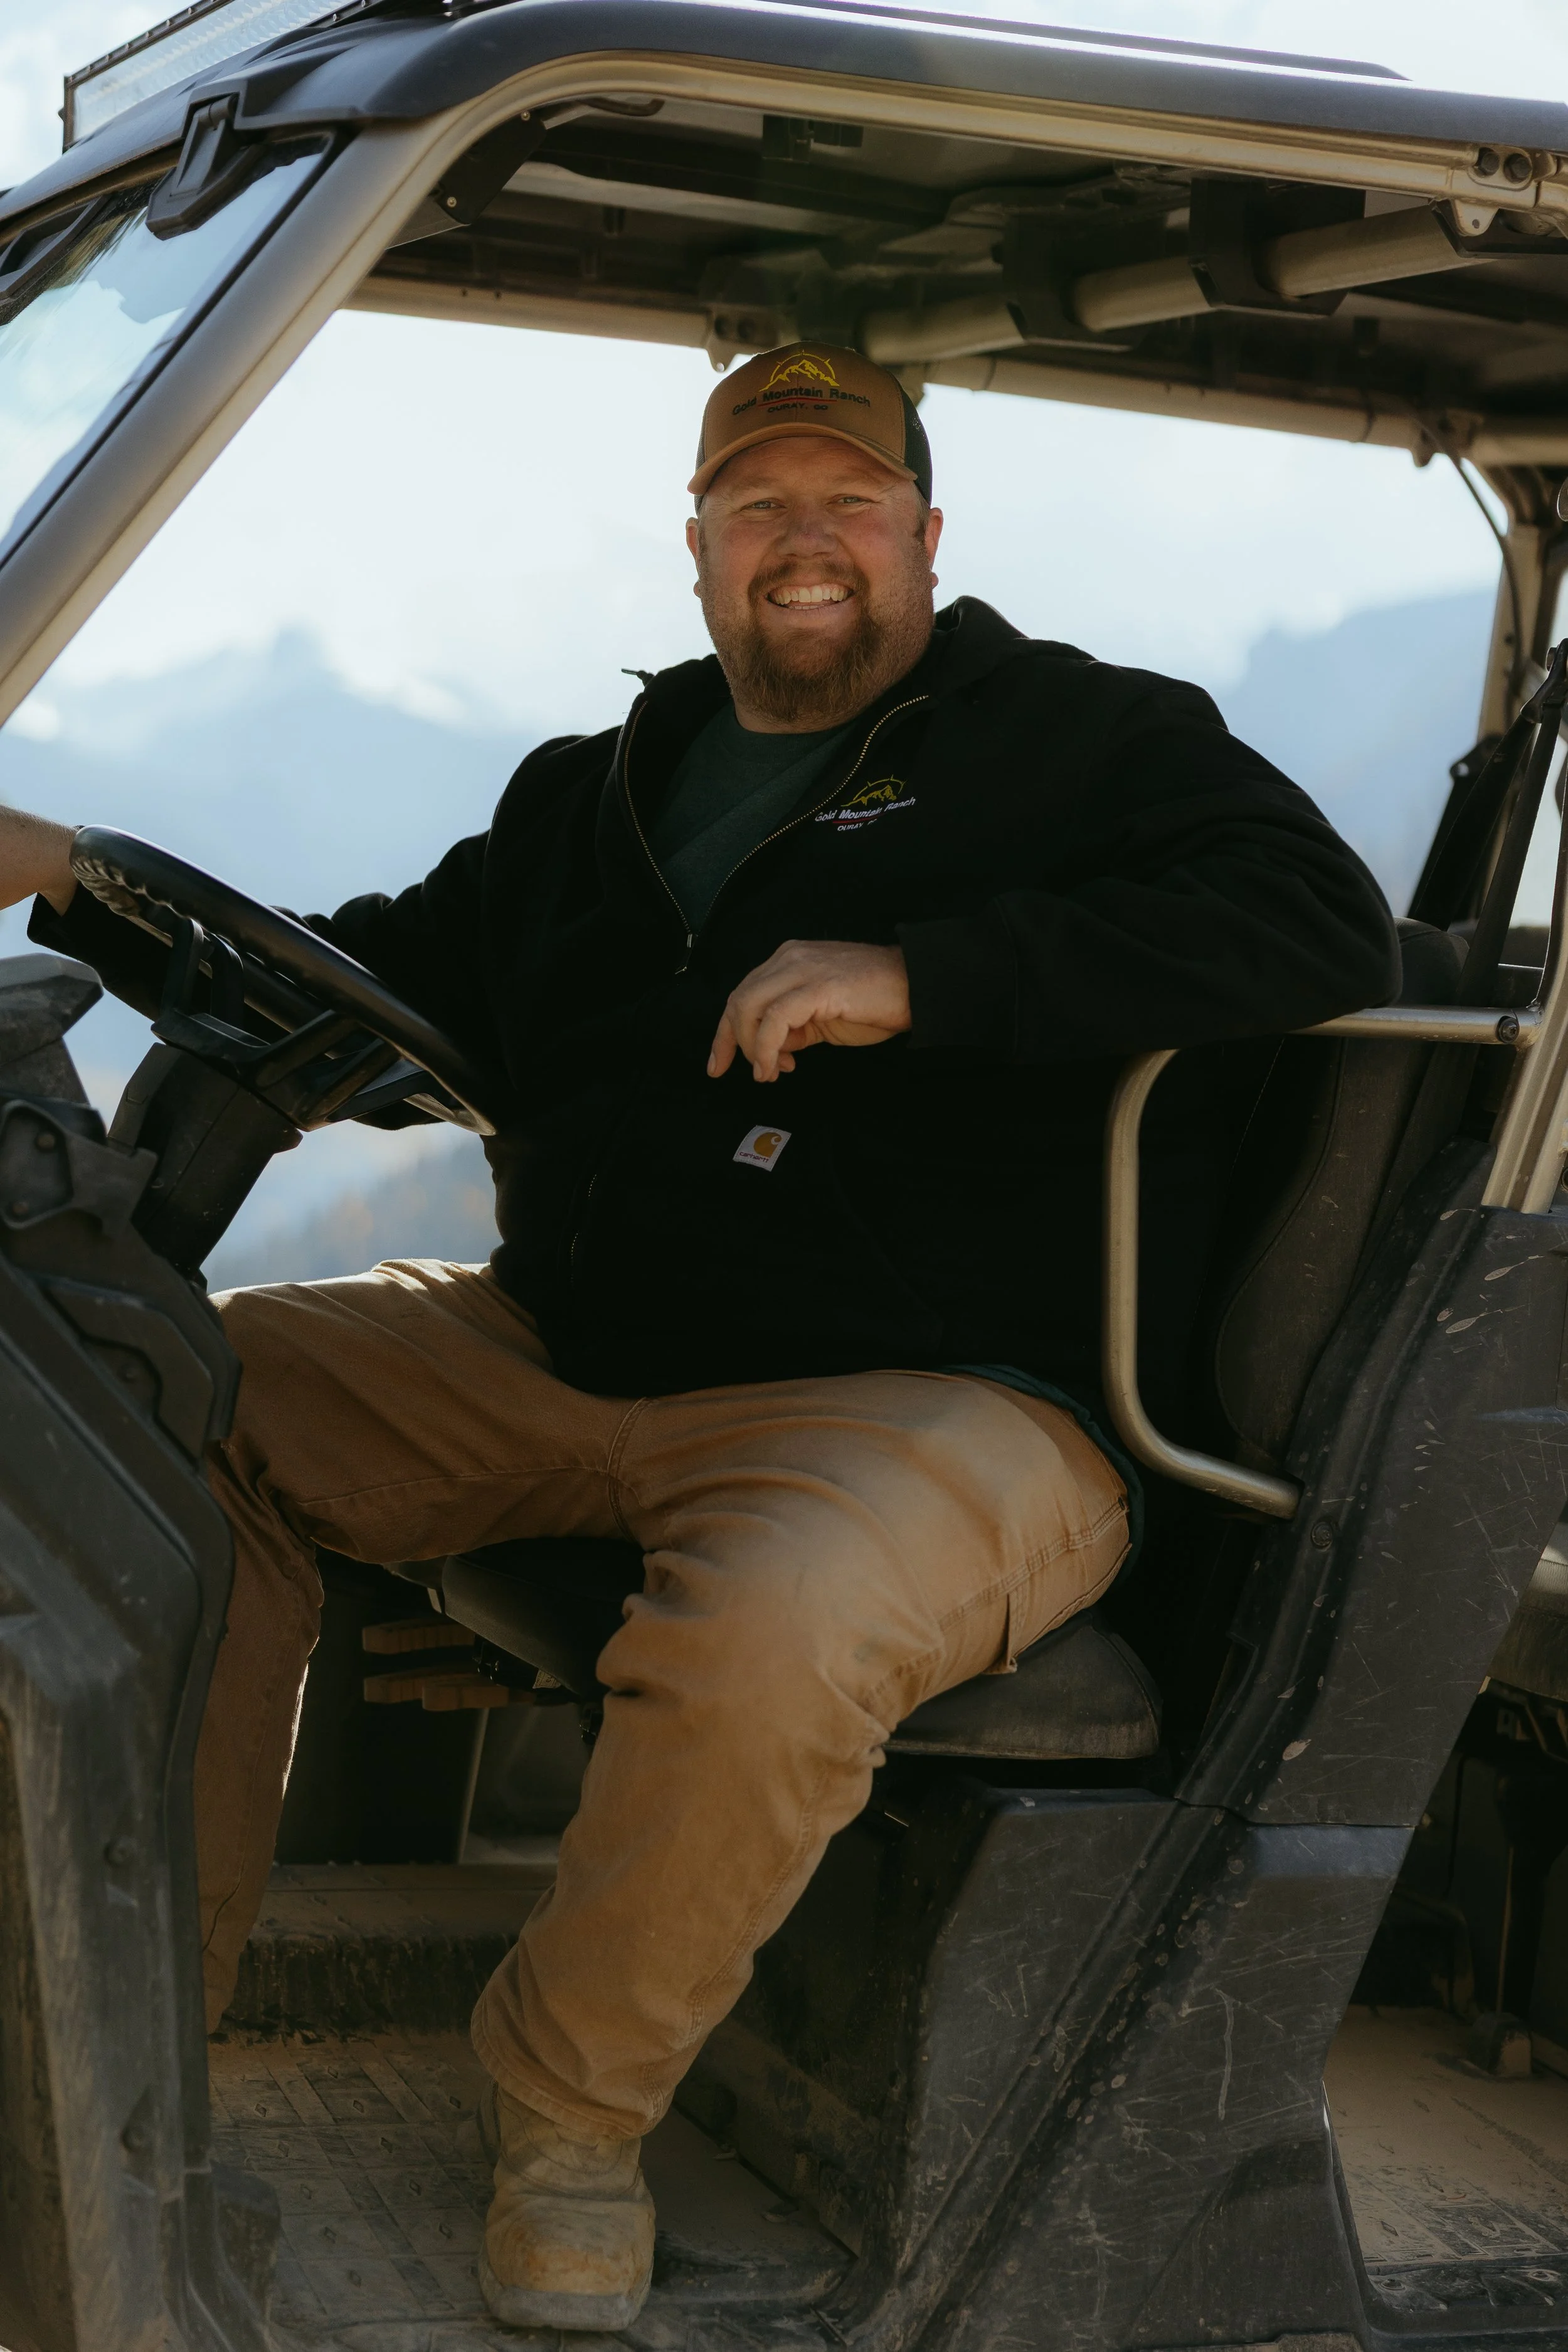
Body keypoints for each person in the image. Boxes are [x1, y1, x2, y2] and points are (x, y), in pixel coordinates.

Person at [2, 342, 1399, 2332]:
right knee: (155, 1400)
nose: (802, 541)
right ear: (697, 546)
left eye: (846, 501)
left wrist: (925, 975)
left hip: (941, 1394)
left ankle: (566, 2113)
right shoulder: (596, 796)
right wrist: (75, 879)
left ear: (924, 532)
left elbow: (1313, 925)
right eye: (761, 504)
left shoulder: (1078, 737)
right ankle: (145, 2014)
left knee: (775, 1625)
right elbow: (357, 975)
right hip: (565, 1348)